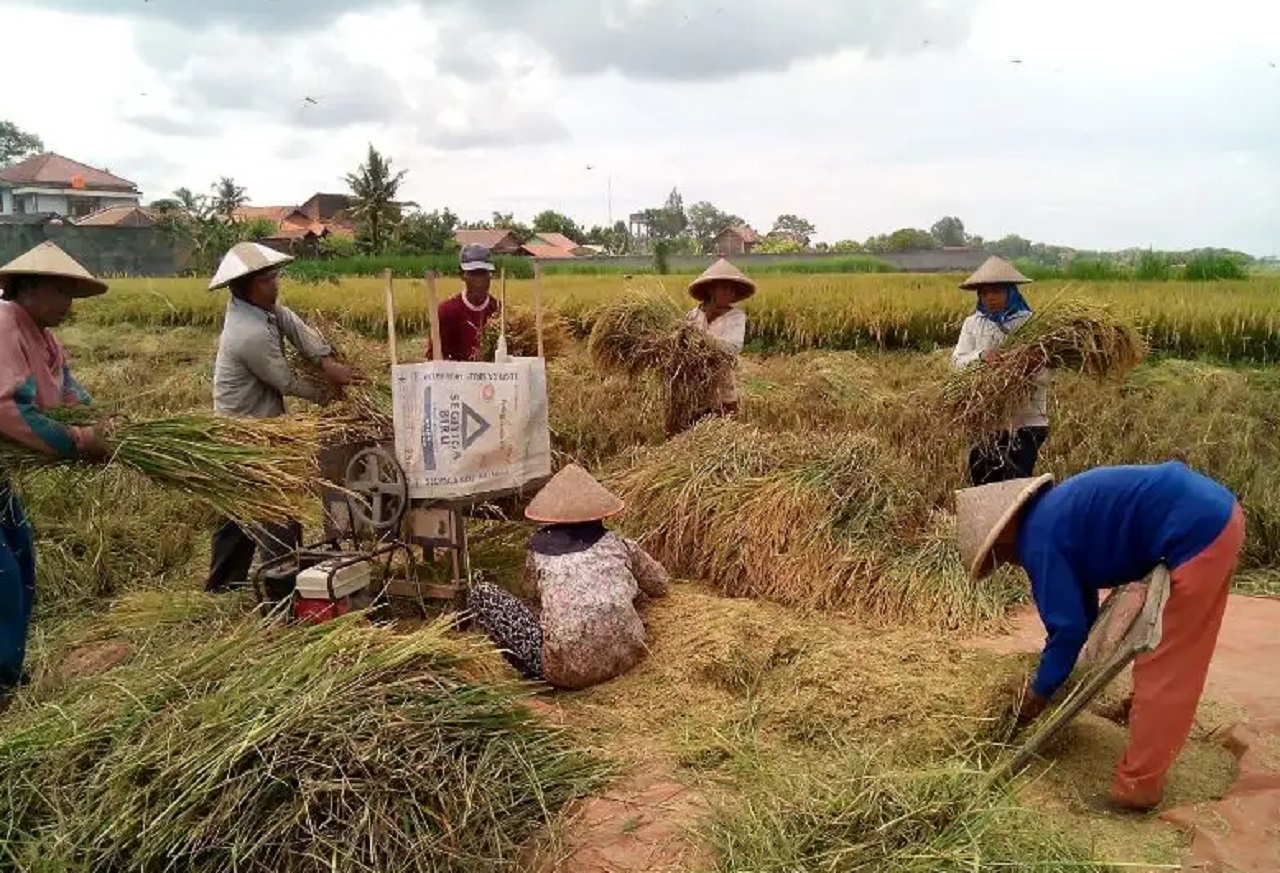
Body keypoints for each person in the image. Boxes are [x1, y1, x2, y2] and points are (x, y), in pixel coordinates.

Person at [956, 462, 1245, 813]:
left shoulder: (1038, 540)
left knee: (1169, 664)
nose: (1006, 563)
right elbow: (1082, 606)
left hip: (1198, 529)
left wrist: (1039, 692)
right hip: (1209, 512)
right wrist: (1065, 666)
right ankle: (1139, 715)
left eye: (998, 556)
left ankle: (1138, 789)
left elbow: (1067, 628)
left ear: (1003, 535)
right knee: (1171, 652)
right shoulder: (1053, 516)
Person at [205, 242, 352, 592]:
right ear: (244, 286)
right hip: (246, 432)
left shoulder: (261, 309)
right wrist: (332, 395)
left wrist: (325, 358)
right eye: (268, 280)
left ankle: (222, 585)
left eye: (275, 277)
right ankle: (283, 587)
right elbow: (285, 381)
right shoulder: (247, 333)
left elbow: (289, 320)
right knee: (276, 508)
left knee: (240, 510)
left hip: (262, 422)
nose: (276, 285)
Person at [0, 242, 114, 692]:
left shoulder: (44, 337)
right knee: (4, 579)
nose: (70, 305)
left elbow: (70, 395)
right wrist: (79, 443)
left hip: (0, 480)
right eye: (63, 293)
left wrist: (104, 424)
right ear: (32, 287)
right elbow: (7, 408)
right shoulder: (4, 326)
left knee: (22, 562)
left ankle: (8, 670)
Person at [466, 464, 669, 690]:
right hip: (628, 655)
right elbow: (659, 584)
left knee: (483, 594)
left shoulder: (539, 552)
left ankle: (533, 679)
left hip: (567, 671)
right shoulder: (618, 544)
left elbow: (531, 595)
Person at [951, 256, 1050, 485]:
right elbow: (956, 362)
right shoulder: (973, 324)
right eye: (984, 293)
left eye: (996, 291)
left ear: (1011, 291)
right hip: (986, 419)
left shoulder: (1033, 325)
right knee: (982, 480)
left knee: (1015, 483)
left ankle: (1017, 522)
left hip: (1027, 420)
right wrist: (982, 356)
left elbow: (1047, 375)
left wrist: (1028, 368)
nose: (989, 298)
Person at [682, 257, 754, 431]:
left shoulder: (736, 317)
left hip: (722, 388)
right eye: (723, 288)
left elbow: (733, 347)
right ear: (711, 289)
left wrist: (703, 339)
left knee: (722, 435)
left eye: (731, 289)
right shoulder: (693, 315)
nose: (728, 293)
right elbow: (682, 341)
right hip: (693, 388)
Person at [427, 244, 501, 362]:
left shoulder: (499, 311)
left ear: (490, 275)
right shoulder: (446, 312)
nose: (479, 281)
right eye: (472, 274)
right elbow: (434, 357)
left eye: (483, 273)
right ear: (462, 275)